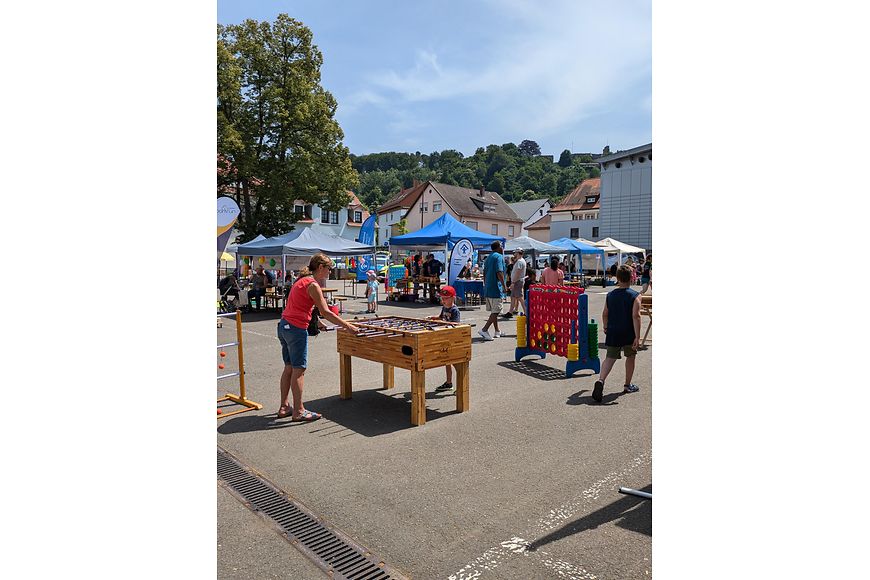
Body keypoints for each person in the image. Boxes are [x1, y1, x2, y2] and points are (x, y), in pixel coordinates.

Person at [277, 253, 359, 421]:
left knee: (289, 368)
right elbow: (326, 311)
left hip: (284, 326)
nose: (330, 272)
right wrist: (348, 326)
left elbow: (304, 307)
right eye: (329, 268)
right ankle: (298, 411)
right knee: (299, 370)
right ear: (321, 267)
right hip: (295, 329)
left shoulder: (301, 280)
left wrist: (318, 323)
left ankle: (284, 407)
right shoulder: (313, 284)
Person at [592, 264, 642, 403]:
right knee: (630, 357)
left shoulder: (610, 295)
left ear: (617, 278)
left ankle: (601, 380)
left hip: (613, 331)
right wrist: (638, 336)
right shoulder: (636, 296)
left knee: (610, 358)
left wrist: (605, 326)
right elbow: (636, 316)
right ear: (631, 278)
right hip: (628, 332)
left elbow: (605, 313)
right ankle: (627, 385)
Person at [429, 285, 461, 393]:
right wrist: (434, 318)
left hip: (452, 339)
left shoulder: (454, 310)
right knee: (446, 361)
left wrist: (443, 323)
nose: (443, 300)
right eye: (442, 298)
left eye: (445, 298)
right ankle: (448, 382)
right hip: (445, 338)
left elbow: (455, 324)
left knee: (456, 363)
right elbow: (441, 317)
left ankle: (461, 385)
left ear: (452, 298)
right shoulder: (444, 308)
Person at [478, 241, 508, 341]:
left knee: (493, 311)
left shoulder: (488, 258)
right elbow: (499, 272)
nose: (503, 248)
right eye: (502, 246)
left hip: (488, 287)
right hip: (496, 287)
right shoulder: (499, 257)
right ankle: (484, 329)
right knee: (496, 311)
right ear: (499, 247)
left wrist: (485, 285)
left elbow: (485, 274)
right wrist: (504, 286)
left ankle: (497, 330)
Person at [506, 248, 527, 318]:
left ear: (518, 253)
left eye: (515, 253)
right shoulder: (520, 261)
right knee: (513, 297)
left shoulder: (520, 262)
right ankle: (510, 312)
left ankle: (526, 312)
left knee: (520, 297)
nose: (514, 254)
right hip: (517, 281)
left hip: (517, 282)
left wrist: (513, 282)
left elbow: (518, 273)